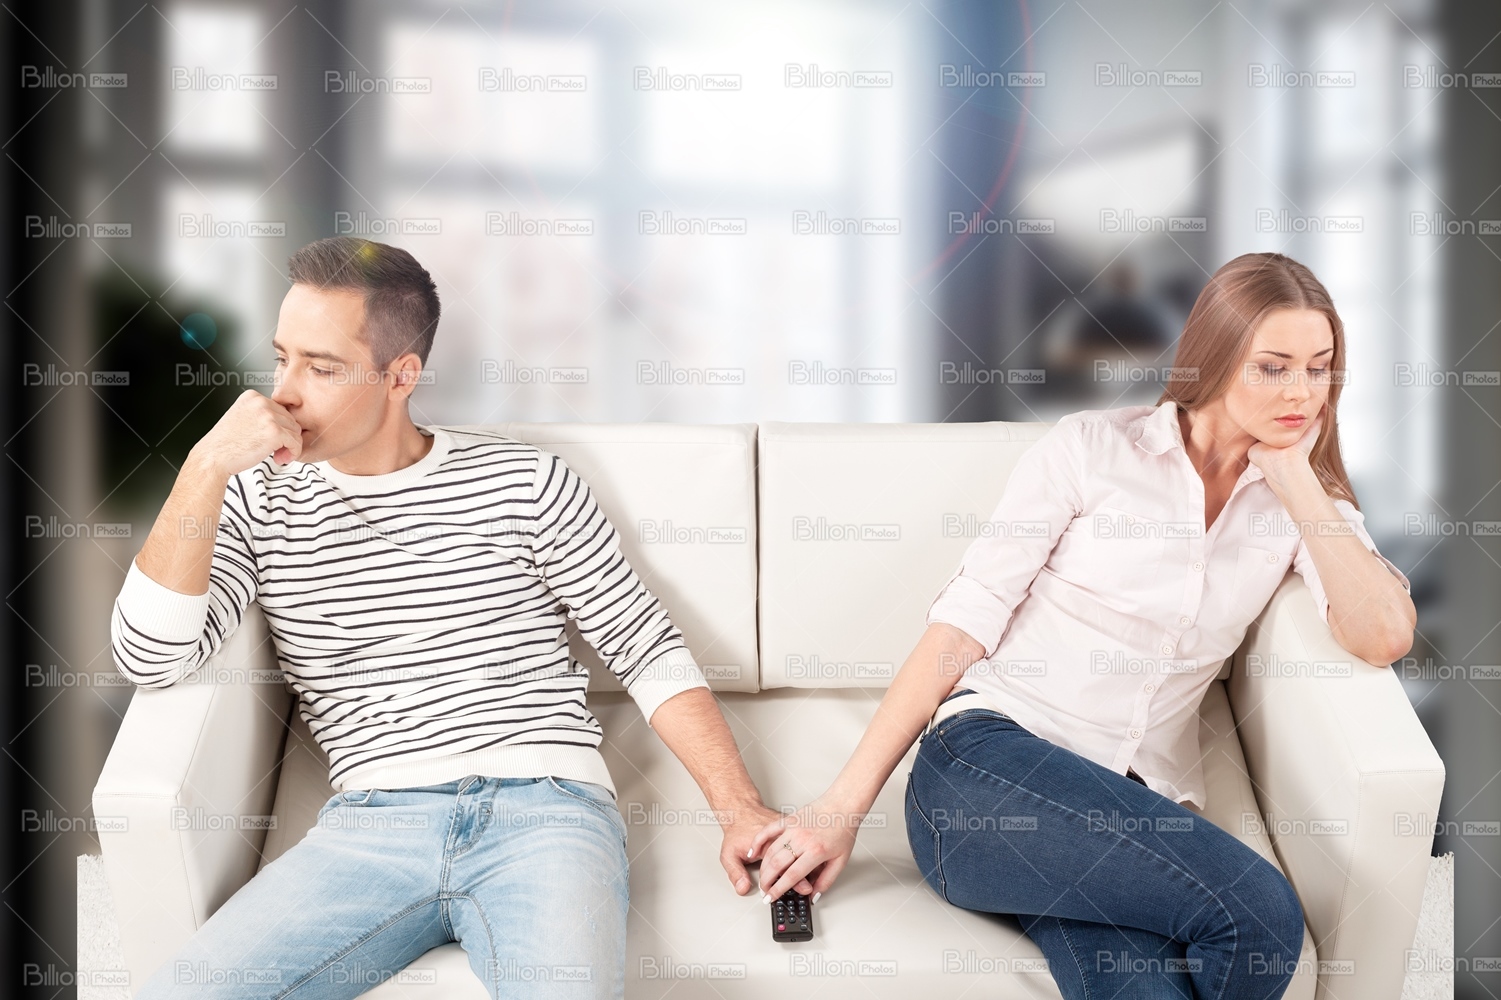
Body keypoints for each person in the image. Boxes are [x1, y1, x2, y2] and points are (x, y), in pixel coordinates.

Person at [112, 237, 804, 999]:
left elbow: (646, 650)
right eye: (281, 359)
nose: (284, 394)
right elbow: (149, 658)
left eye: (322, 367)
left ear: (400, 375)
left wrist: (739, 809)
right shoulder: (255, 499)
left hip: (545, 811)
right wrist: (205, 466)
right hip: (370, 825)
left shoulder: (524, 480)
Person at [749, 252, 1416, 1000]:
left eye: (1319, 369)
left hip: (1126, 810)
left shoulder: (1301, 508)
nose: (1300, 392)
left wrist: (1295, 478)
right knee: (1258, 914)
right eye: (1273, 367)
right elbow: (960, 626)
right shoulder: (1092, 450)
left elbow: (1384, 633)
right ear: (1215, 355)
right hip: (986, 773)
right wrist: (838, 810)